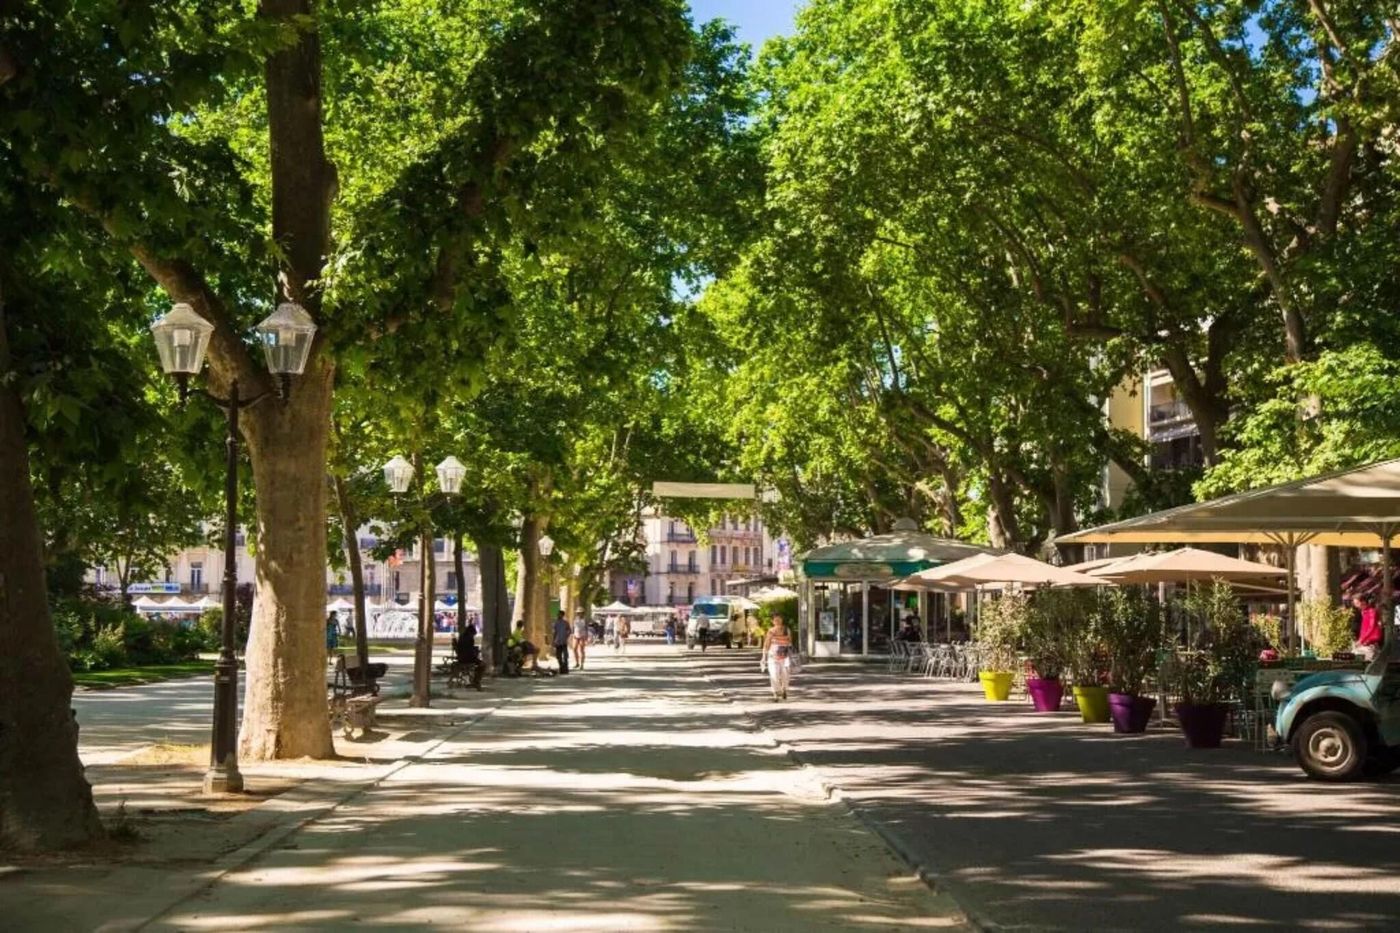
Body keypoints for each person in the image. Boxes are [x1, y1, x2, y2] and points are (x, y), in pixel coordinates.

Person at [762, 613, 796, 701]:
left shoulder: (786, 630)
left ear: (782, 620)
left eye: (779, 619)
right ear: (772, 621)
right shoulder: (771, 631)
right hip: (773, 657)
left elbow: (790, 642)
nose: (777, 621)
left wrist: (788, 648)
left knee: (785, 675)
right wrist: (763, 657)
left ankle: (784, 689)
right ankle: (775, 693)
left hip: (785, 657)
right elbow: (766, 645)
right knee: (774, 675)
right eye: (775, 620)